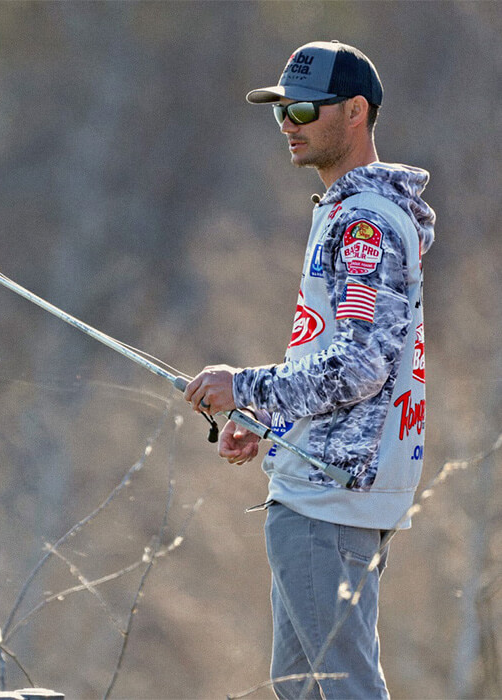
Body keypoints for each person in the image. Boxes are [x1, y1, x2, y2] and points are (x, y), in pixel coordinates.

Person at [182, 41, 435, 698]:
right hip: (324, 487)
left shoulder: (362, 224)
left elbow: (357, 366)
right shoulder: (356, 214)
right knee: (303, 686)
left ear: (355, 111)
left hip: (331, 498)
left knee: (339, 688)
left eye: (303, 109)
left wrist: (245, 386)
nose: (289, 125)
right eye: (279, 112)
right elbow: (352, 357)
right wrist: (270, 418)